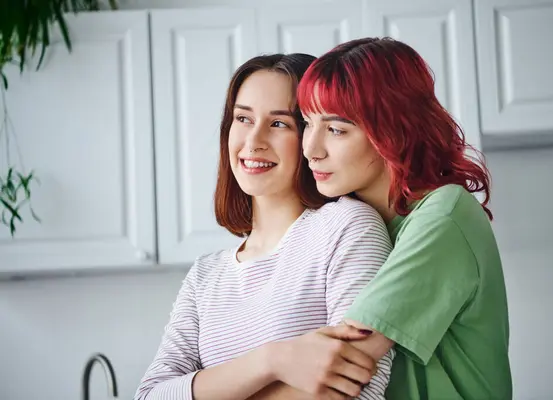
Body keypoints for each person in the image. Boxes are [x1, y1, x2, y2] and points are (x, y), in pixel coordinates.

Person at [134, 53, 395, 400]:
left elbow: (357, 391)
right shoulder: (204, 276)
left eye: (279, 124)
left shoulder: (347, 228)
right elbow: (150, 395)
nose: (253, 140)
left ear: (310, 136)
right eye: (242, 118)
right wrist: (272, 360)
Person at [295, 37, 512, 399]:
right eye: (306, 123)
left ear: (393, 130)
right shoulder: (350, 224)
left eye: (336, 129)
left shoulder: (443, 216)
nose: (311, 150)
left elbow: (342, 362)